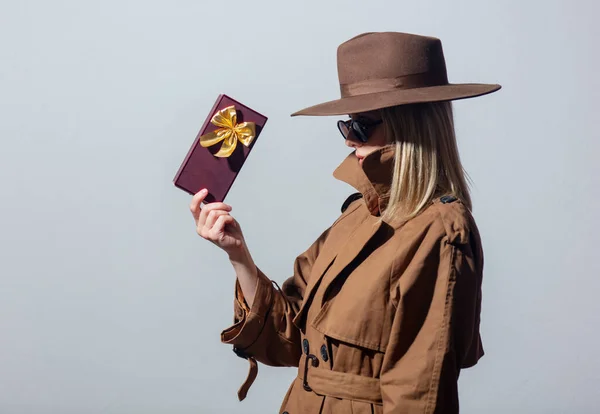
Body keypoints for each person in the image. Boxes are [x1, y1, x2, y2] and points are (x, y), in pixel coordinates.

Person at [189, 31, 500, 414]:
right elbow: (289, 339)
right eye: (346, 123)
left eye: (361, 125)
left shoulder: (439, 233)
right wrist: (238, 254)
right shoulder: (359, 213)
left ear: (411, 126)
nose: (348, 139)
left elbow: (419, 396)